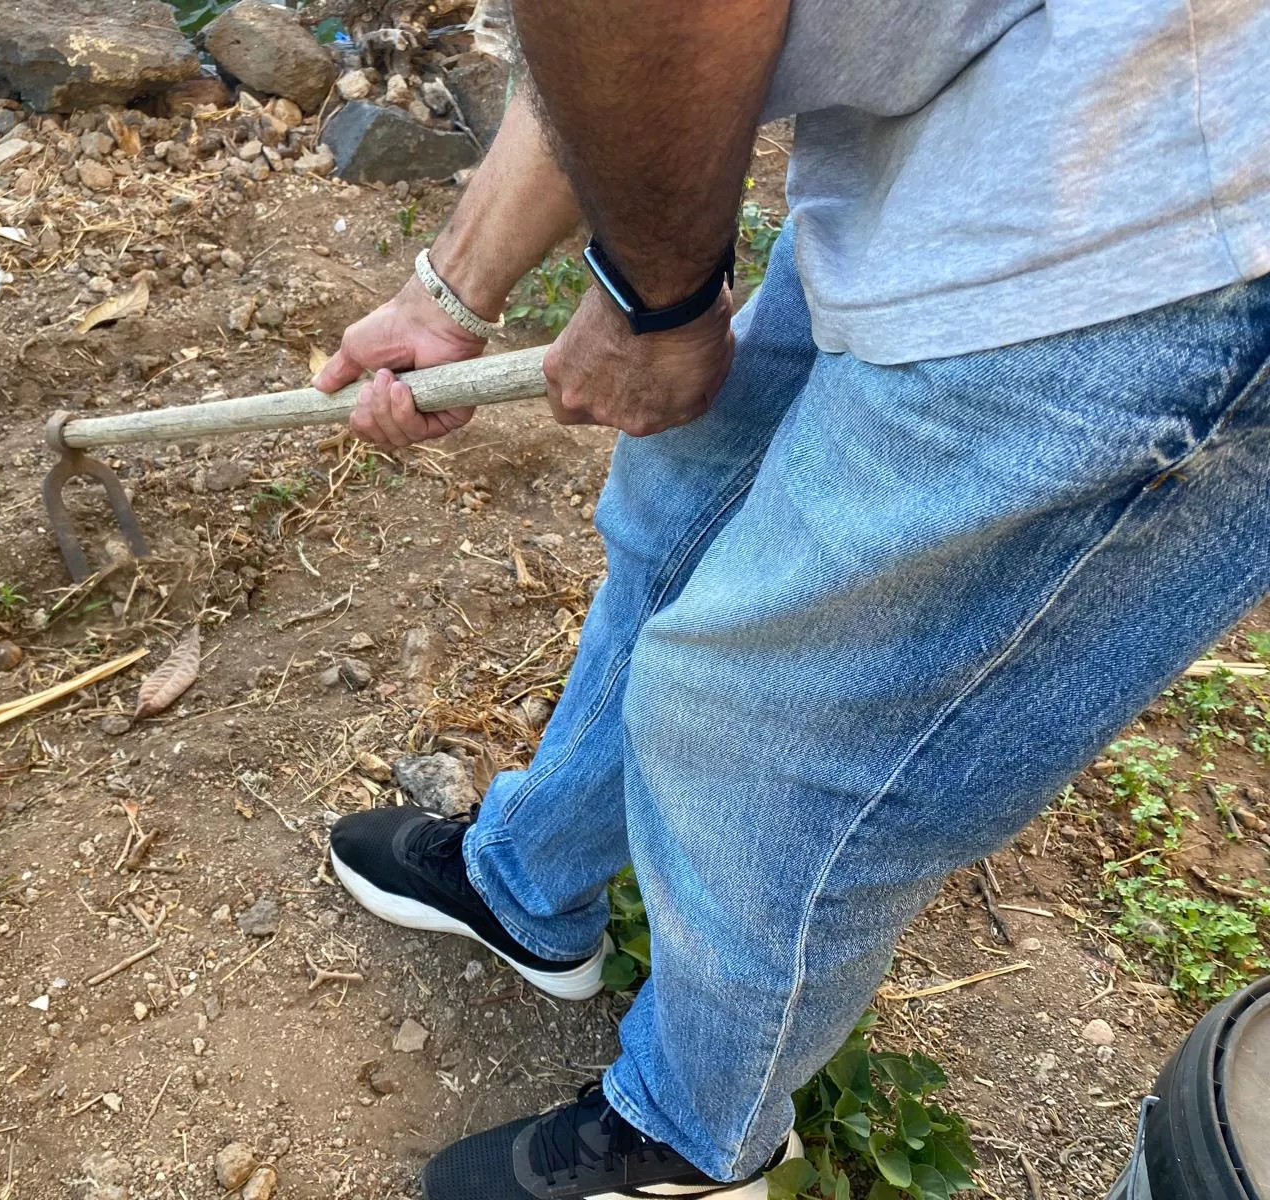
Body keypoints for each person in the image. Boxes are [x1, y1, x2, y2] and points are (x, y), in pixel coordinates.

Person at [311, 0, 1270, 1196]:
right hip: (956, 140)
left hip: (1172, 233)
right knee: (676, 531)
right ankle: (528, 883)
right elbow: (601, 43)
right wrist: (450, 296)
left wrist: (656, 298)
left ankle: (693, 1136)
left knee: (776, 735)